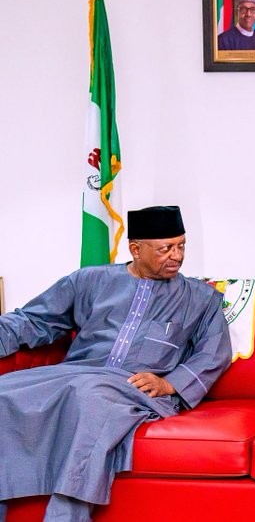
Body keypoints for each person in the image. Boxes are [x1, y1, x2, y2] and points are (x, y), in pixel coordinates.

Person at [0, 205, 232, 522]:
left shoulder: (201, 299)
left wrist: (170, 383)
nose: (176, 256)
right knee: (5, 393)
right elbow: (32, 320)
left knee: (92, 400)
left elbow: (214, 351)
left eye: (181, 245)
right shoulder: (88, 281)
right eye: (165, 248)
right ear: (135, 249)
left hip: (136, 389)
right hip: (77, 374)